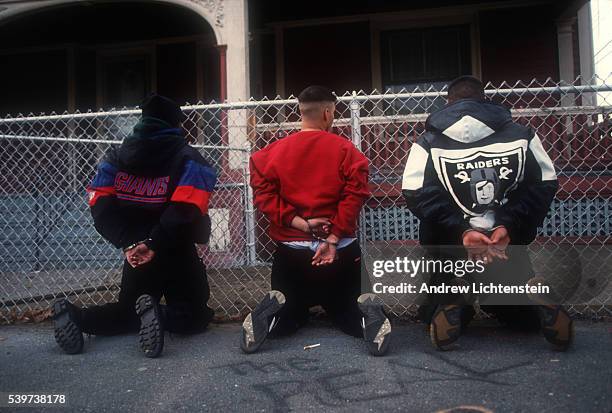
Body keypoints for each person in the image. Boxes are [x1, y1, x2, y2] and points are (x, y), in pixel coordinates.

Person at [401, 76, 573, 350]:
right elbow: (544, 183)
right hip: (503, 244)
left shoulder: (428, 141)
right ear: (485, 100)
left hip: (451, 244)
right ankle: (531, 294)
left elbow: (415, 190)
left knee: (432, 314)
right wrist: (508, 226)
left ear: (448, 103)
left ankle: (460, 295)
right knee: (519, 319)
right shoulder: (522, 134)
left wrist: (462, 231)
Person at [52, 94, 216, 358]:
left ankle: (75, 315)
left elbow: (100, 204)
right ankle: (158, 314)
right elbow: (186, 208)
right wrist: (154, 243)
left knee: (127, 313)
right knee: (196, 314)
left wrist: (129, 242)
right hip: (176, 250)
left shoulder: (116, 157)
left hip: (136, 253)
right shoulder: (189, 158)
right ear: (176, 124)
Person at [242, 85, 391, 356]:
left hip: (292, 250)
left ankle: (271, 316)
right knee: (346, 312)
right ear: (327, 112)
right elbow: (355, 195)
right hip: (341, 251)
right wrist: (333, 238)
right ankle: (365, 313)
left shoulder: (268, 154)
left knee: (291, 317)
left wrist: (298, 222)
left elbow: (263, 195)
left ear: (300, 112)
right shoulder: (347, 151)